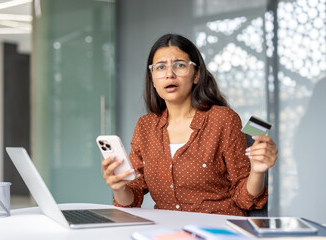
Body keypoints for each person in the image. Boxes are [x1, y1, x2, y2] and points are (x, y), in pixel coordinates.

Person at [101, 34, 278, 216]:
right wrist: (119, 187)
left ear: (197, 75)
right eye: (160, 67)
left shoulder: (223, 119)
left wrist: (257, 171)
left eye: (179, 65)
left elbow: (245, 199)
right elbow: (133, 198)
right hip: (167, 231)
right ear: (153, 79)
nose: (170, 74)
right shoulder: (145, 126)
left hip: (217, 230)